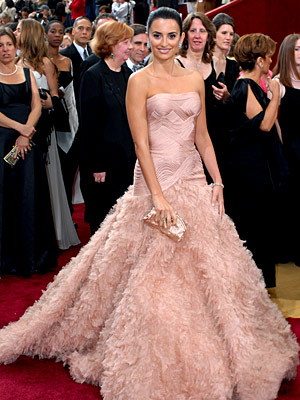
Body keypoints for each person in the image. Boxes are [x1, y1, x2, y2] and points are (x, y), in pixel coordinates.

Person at [0, 9, 298, 399]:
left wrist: (218, 181)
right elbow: (141, 144)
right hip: (153, 182)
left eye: (170, 35)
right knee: (151, 272)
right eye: (156, 36)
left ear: (183, 38)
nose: (162, 42)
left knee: (212, 269)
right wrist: (158, 197)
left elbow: (203, 137)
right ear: (150, 38)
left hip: (193, 180)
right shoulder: (137, 81)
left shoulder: (194, 78)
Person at [224, 33, 290, 288]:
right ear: (260, 60)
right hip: (248, 173)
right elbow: (264, 124)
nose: (271, 62)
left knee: (261, 226)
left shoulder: (250, 86)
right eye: (269, 57)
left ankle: (258, 286)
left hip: (258, 169)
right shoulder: (245, 87)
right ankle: (251, 286)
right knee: (253, 228)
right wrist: (275, 96)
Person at [17, 18, 80, 249]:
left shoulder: (45, 63)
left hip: (42, 131)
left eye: (19, 30)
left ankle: (52, 234)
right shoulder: (14, 62)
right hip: (18, 129)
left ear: (29, 35)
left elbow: (55, 99)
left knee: (48, 183)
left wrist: (39, 103)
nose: (15, 32)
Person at [0, 26, 57, 277]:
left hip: (27, 143)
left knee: (29, 196)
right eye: (0, 46)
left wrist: (27, 131)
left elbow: (37, 104)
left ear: (16, 46)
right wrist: (19, 128)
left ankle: (32, 255)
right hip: (3, 142)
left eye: (9, 44)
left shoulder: (26, 72)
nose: (5, 50)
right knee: (6, 198)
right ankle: (7, 257)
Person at [79, 20, 136, 233]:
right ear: (111, 44)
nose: (130, 47)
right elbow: (90, 125)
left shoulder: (127, 75)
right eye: (126, 42)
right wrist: (97, 165)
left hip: (126, 159)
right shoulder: (93, 75)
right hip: (104, 164)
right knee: (105, 219)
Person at [175, 12, 229, 176]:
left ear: (209, 35)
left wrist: (225, 95)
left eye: (202, 31)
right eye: (193, 31)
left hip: (217, 134)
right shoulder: (177, 64)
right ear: (185, 35)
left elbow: (224, 99)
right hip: (188, 136)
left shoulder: (217, 62)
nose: (197, 36)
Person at [45, 19, 80, 216]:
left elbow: (72, 97)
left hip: (66, 122)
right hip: (47, 122)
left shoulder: (67, 61)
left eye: (60, 32)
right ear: (45, 34)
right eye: (53, 31)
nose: (57, 35)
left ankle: (66, 216)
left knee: (67, 173)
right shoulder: (39, 59)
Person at [272, 33, 300, 265]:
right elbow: (274, 120)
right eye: (297, 49)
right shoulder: (279, 82)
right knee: (292, 198)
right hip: (290, 148)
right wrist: (281, 144)